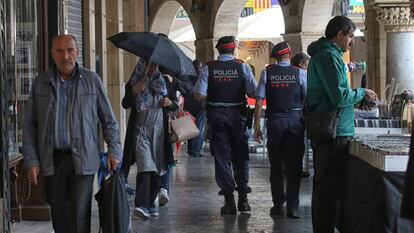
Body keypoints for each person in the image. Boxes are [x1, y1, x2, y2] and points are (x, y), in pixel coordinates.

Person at [23, 34, 122, 233]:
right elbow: (30, 125)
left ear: (77, 52)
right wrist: (31, 161)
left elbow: (109, 120)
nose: (65, 56)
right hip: (52, 159)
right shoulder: (40, 83)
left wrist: (114, 151)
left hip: (84, 158)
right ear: (52, 54)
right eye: (60, 51)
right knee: (59, 213)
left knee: (79, 213)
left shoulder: (92, 81)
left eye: (70, 50)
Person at [306, 16, 377, 233]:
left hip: (332, 128)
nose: (352, 41)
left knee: (327, 187)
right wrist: (362, 92)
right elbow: (338, 96)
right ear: (340, 35)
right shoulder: (329, 56)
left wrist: (355, 103)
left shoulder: (327, 54)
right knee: (328, 189)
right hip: (333, 133)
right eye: (351, 36)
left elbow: (332, 97)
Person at [193, 36, 257, 215]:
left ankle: (229, 202)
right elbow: (252, 91)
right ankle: (243, 200)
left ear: (218, 49)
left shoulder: (209, 68)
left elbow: (198, 94)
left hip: (217, 116)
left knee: (222, 157)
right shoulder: (242, 66)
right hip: (238, 115)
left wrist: (214, 93)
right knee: (241, 155)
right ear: (233, 49)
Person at [254, 41, 307, 219]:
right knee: (294, 165)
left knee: (276, 164)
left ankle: (278, 204)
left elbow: (259, 100)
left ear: (276, 57)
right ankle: (293, 207)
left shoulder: (267, 72)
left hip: (274, 121)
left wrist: (256, 127)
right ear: (289, 54)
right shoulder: (299, 72)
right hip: (295, 121)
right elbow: (307, 97)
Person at [121, 58, 171, 219]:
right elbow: (125, 103)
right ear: (143, 64)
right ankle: (141, 205)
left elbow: (175, 105)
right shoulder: (135, 80)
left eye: (156, 64)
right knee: (145, 166)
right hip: (140, 132)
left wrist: (169, 103)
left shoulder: (163, 82)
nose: (153, 67)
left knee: (157, 168)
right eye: (150, 64)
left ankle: (150, 203)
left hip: (159, 133)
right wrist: (135, 90)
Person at [158, 67, 179, 206]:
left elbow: (175, 105)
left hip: (164, 127)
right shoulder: (141, 80)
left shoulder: (166, 81)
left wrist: (170, 103)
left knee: (165, 156)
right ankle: (155, 189)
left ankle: (164, 189)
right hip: (145, 128)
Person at [291, 52, 311, 179]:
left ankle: (283, 167)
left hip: (278, 115)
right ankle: (295, 170)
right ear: (301, 64)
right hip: (297, 114)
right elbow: (306, 94)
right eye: (306, 65)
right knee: (297, 144)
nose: (307, 68)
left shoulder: (274, 72)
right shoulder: (301, 74)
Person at [184, 59, 206, 157]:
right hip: (200, 105)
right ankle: (196, 150)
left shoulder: (187, 76)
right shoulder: (202, 76)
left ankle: (190, 148)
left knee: (190, 128)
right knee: (199, 128)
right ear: (199, 67)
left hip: (189, 105)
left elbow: (184, 90)